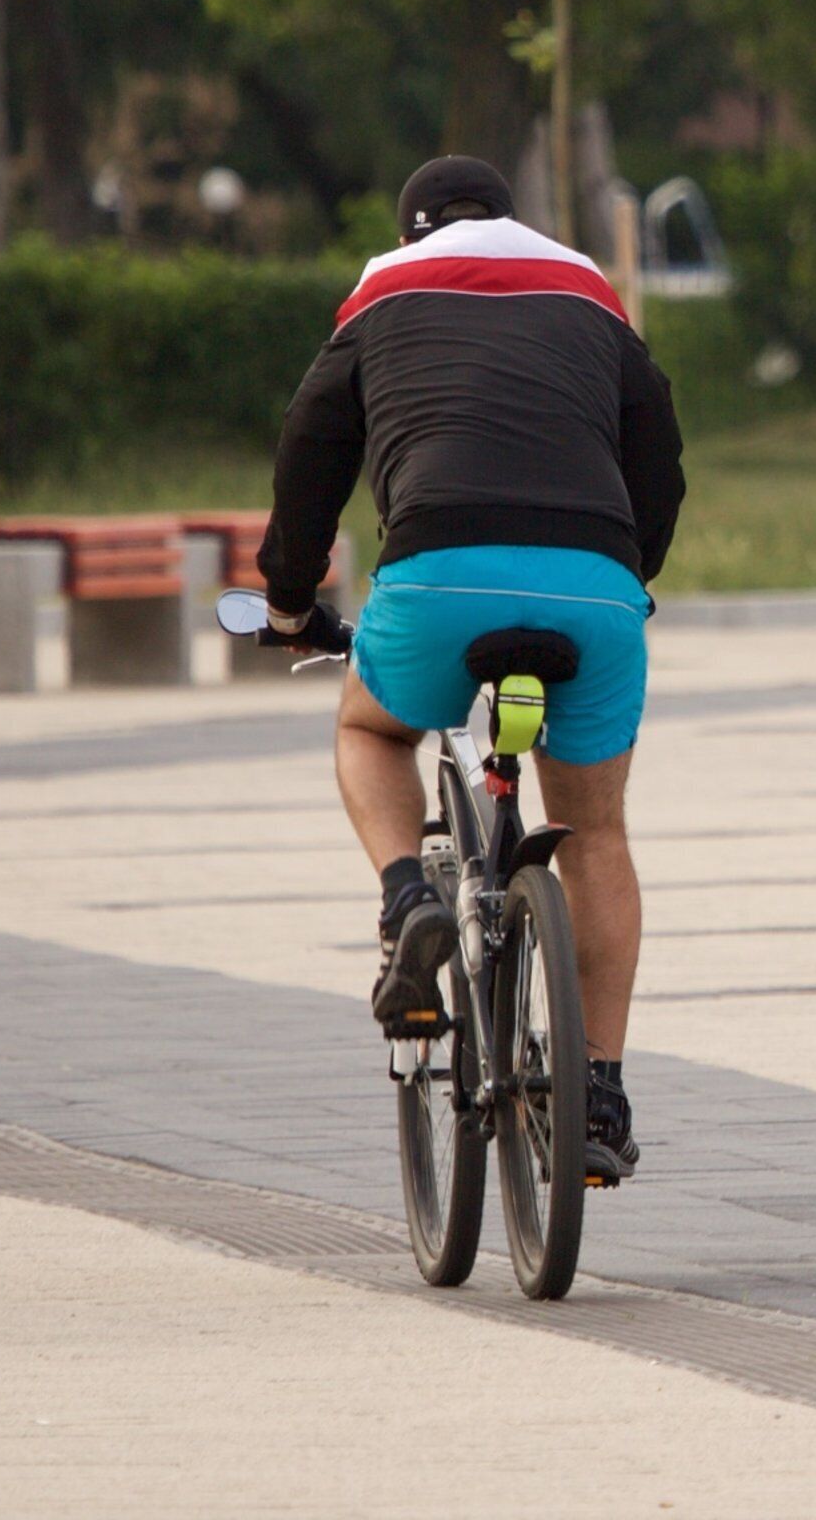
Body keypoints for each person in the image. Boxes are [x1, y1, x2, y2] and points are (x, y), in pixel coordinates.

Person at [255, 155, 684, 1182]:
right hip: (594, 580)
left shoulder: (383, 290)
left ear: (413, 229)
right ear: (511, 215)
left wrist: (287, 596)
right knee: (596, 829)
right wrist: (630, 571)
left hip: (438, 568)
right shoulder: (586, 287)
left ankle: (411, 900)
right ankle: (602, 1093)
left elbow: (311, 445)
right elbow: (658, 452)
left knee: (368, 729)